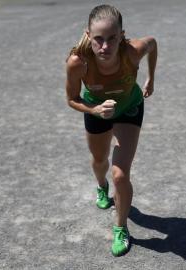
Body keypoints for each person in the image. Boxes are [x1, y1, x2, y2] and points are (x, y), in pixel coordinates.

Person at [65, 4, 157, 256]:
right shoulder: (78, 62)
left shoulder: (132, 51)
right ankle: (100, 186)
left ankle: (121, 227)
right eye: (98, 39)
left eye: (112, 38)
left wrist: (151, 77)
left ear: (122, 35)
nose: (105, 46)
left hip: (129, 108)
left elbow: (153, 43)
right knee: (99, 160)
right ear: (88, 35)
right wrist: (94, 111)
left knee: (121, 174)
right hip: (97, 111)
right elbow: (71, 99)